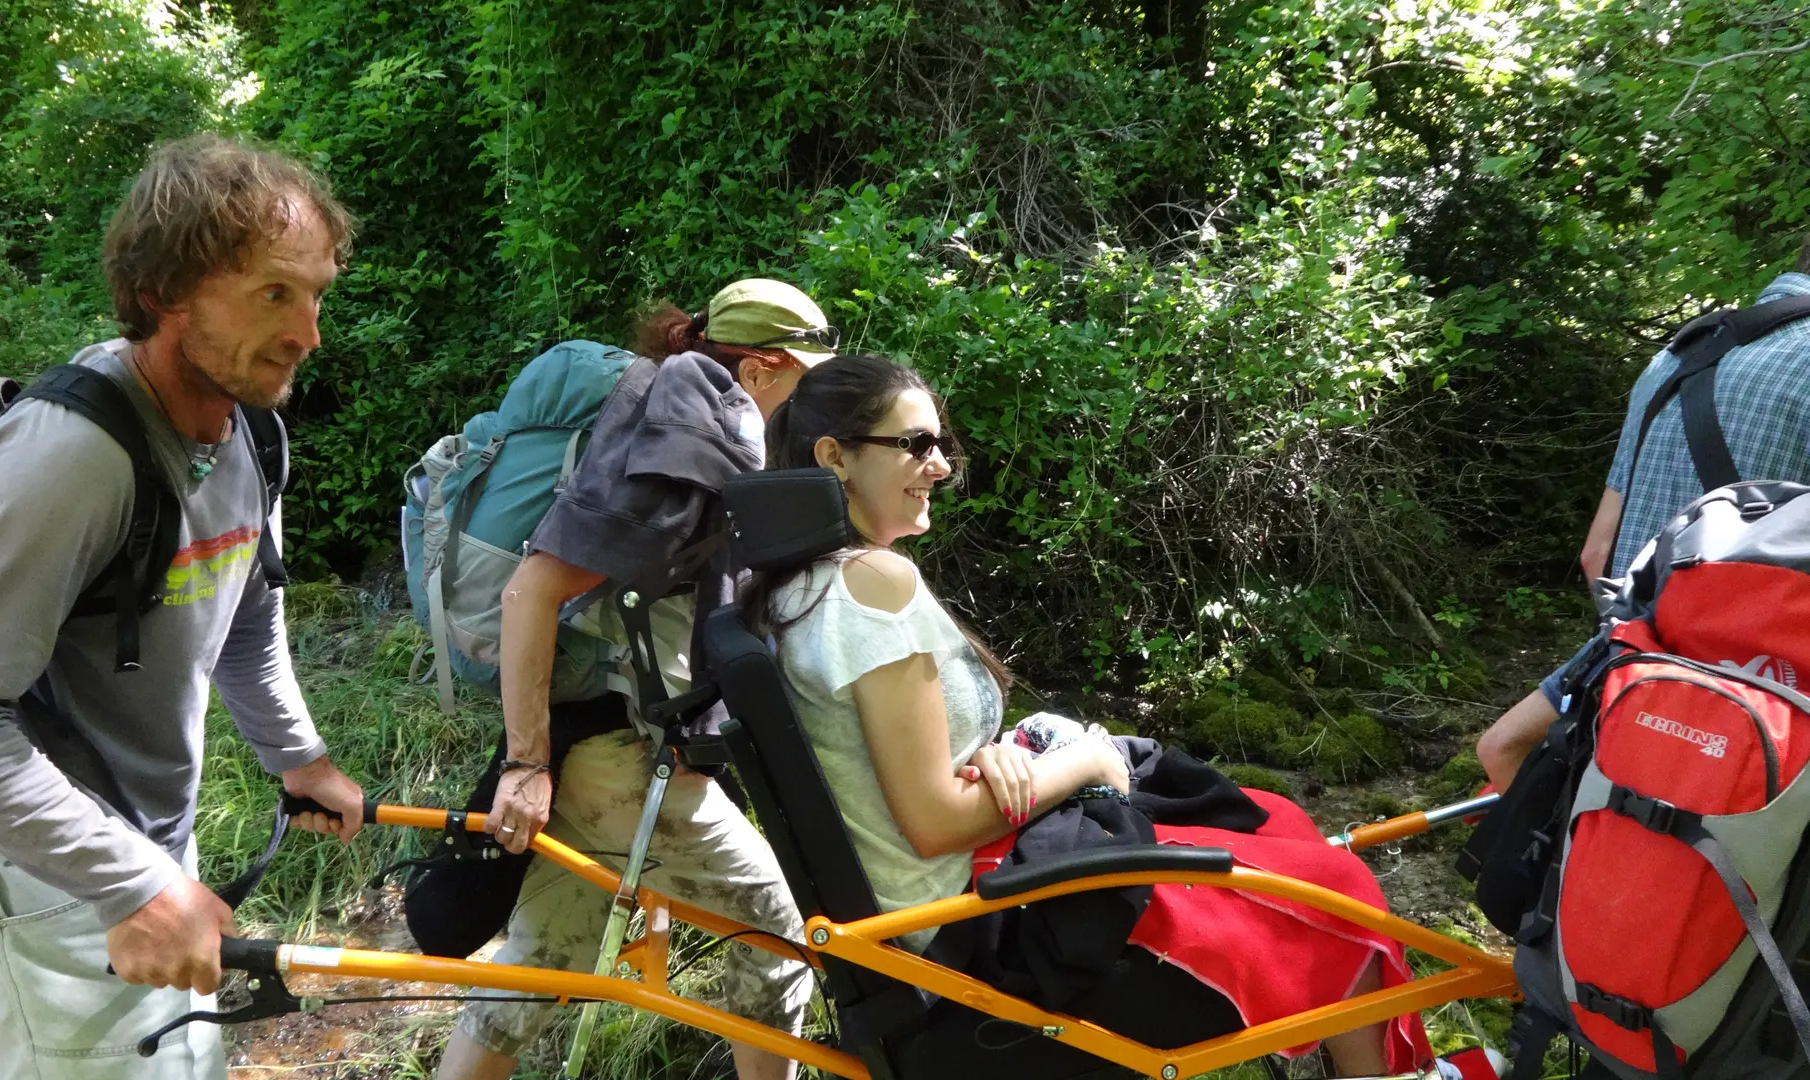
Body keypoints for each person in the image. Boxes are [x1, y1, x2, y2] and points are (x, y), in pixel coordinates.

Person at [736, 353, 1433, 1075]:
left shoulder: (798, 589)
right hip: (988, 927)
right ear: (834, 457)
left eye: (943, 444)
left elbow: (879, 762)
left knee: (1275, 819)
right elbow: (935, 822)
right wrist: (1088, 762)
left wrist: (989, 755)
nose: (939, 464)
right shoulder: (872, 585)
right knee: (1338, 891)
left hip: (963, 890)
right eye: (914, 444)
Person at [0, 133, 366, 1079]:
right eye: (274, 292)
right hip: (41, 870)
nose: (308, 332)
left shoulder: (251, 433)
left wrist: (298, 757)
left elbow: (246, 617)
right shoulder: (71, 457)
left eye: (315, 295)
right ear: (166, 292)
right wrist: (132, 881)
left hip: (147, 851)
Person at [435, 279, 835, 1080]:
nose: (809, 398)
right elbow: (532, 592)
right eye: (803, 376)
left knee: (548, 953)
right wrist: (523, 765)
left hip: (602, 738)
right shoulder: (678, 444)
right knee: (780, 931)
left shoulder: (688, 425)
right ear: (759, 369)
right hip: (608, 750)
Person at [1479, 249, 1810, 791]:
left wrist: (1637, 654)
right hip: (1761, 714)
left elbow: (1597, 553)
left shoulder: (1682, 353)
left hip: (1628, 677)